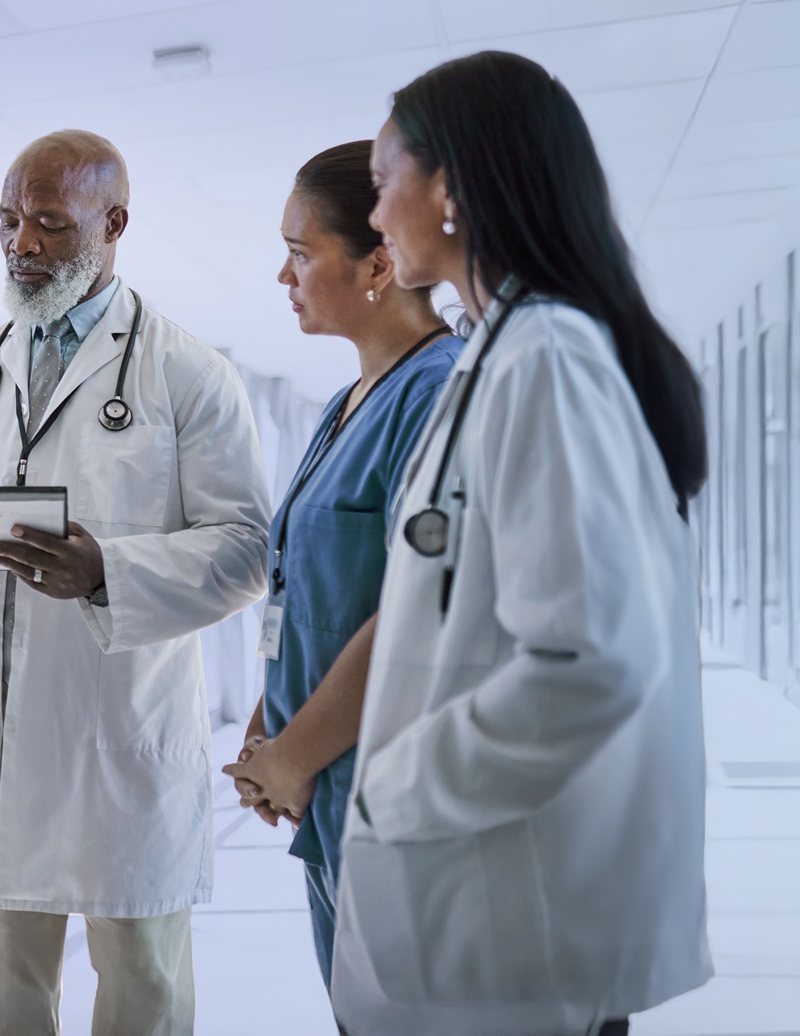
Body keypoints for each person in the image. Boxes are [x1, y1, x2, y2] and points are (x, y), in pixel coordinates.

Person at [328, 51, 712, 1036]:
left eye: (382, 185)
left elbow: (590, 658)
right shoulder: (508, 348)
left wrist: (397, 785)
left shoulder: (545, 356)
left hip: (514, 931)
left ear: (449, 185)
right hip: (490, 921)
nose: (374, 217)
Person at [0, 130, 272, 1036]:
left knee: (142, 984)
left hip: (119, 737)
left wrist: (108, 567)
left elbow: (246, 548)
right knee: (2, 991)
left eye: (50, 225)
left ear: (114, 224)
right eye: (8, 221)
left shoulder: (187, 374)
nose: (21, 244)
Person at [215, 140, 461, 990]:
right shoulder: (344, 403)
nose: (283, 277)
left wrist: (293, 755)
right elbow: (310, 594)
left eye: (299, 252)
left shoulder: (436, 395)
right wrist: (265, 726)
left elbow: (415, 611)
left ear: (378, 265)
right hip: (326, 788)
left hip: (390, 792)